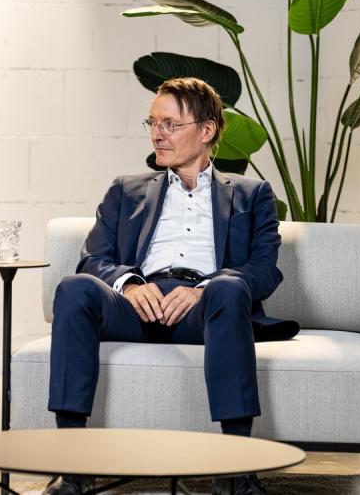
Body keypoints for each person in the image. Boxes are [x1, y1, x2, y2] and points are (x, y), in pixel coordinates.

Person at [43, 77, 300, 495]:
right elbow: (93, 259)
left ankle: (235, 469)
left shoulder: (253, 194)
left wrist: (204, 289)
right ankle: (72, 467)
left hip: (205, 308)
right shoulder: (126, 190)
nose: (156, 134)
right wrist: (129, 284)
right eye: (152, 122)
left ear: (206, 130)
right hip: (136, 306)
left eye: (169, 124)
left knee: (231, 288)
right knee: (75, 288)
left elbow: (264, 270)